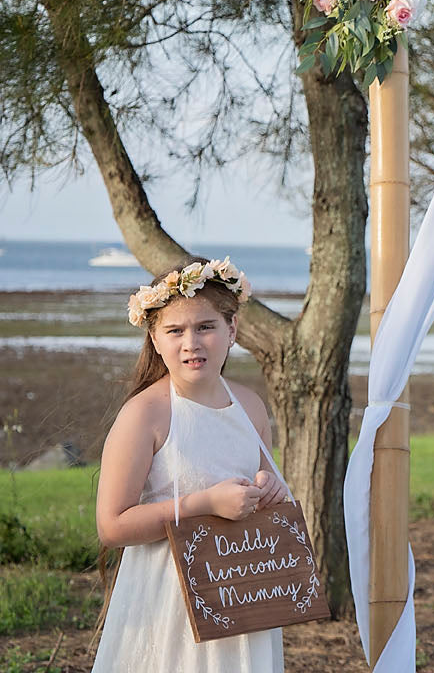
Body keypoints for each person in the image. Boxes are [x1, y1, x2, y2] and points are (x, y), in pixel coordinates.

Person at [92, 259, 288, 673]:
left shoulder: (249, 407)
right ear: (155, 338)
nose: (191, 343)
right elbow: (112, 525)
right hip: (169, 603)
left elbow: (261, 491)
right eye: (175, 331)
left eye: (206, 327)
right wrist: (204, 503)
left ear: (231, 331)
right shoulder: (145, 414)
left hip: (239, 594)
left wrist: (268, 489)